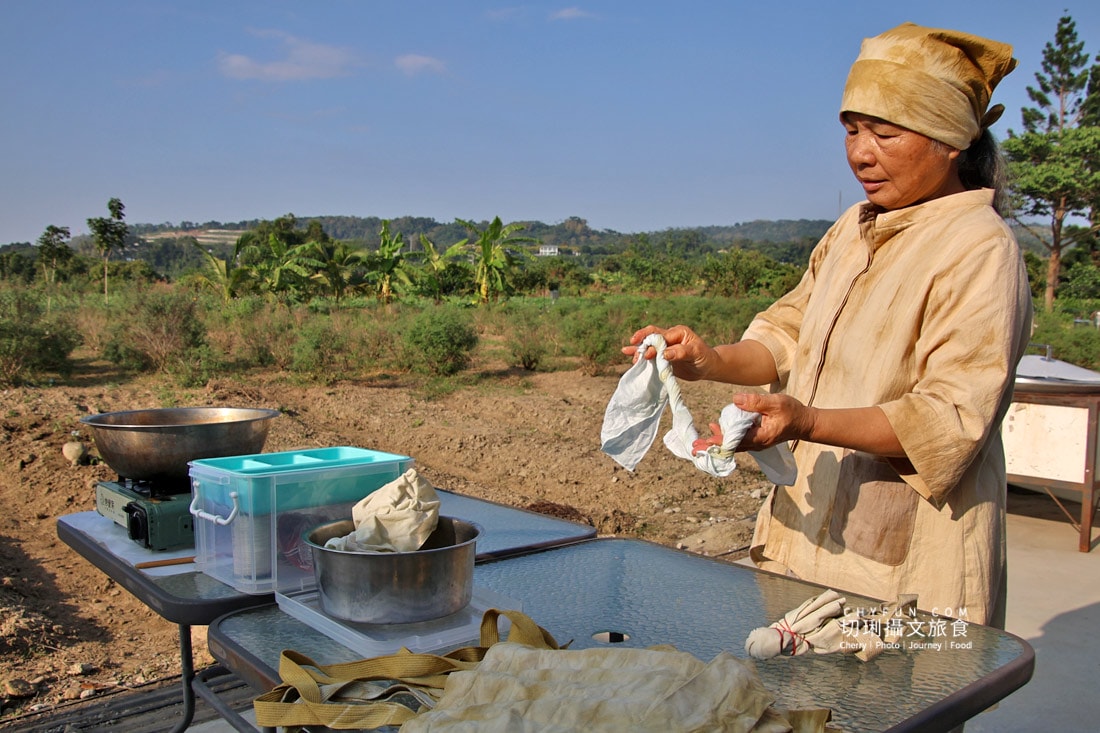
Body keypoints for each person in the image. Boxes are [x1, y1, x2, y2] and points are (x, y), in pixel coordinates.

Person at [625, 22, 1032, 628]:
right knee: (801, 710)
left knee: (889, 713)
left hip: (908, 560)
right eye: (851, 129)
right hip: (806, 530)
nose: (860, 153)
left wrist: (808, 421)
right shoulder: (853, 229)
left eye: (885, 133)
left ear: (950, 142)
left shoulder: (978, 248)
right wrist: (707, 361)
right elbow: (788, 334)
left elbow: (950, 418)